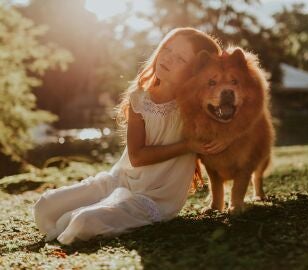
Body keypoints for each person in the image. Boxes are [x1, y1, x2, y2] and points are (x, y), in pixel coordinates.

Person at [33, 27, 229, 245]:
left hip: (154, 198)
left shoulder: (197, 107)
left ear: (196, 72)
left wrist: (222, 139)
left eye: (180, 58)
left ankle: (84, 216)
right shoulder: (140, 99)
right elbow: (137, 157)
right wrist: (188, 146)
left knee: (83, 222)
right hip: (120, 180)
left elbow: (231, 124)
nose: (168, 58)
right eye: (167, 48)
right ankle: (85, 211)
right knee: (45, 207)